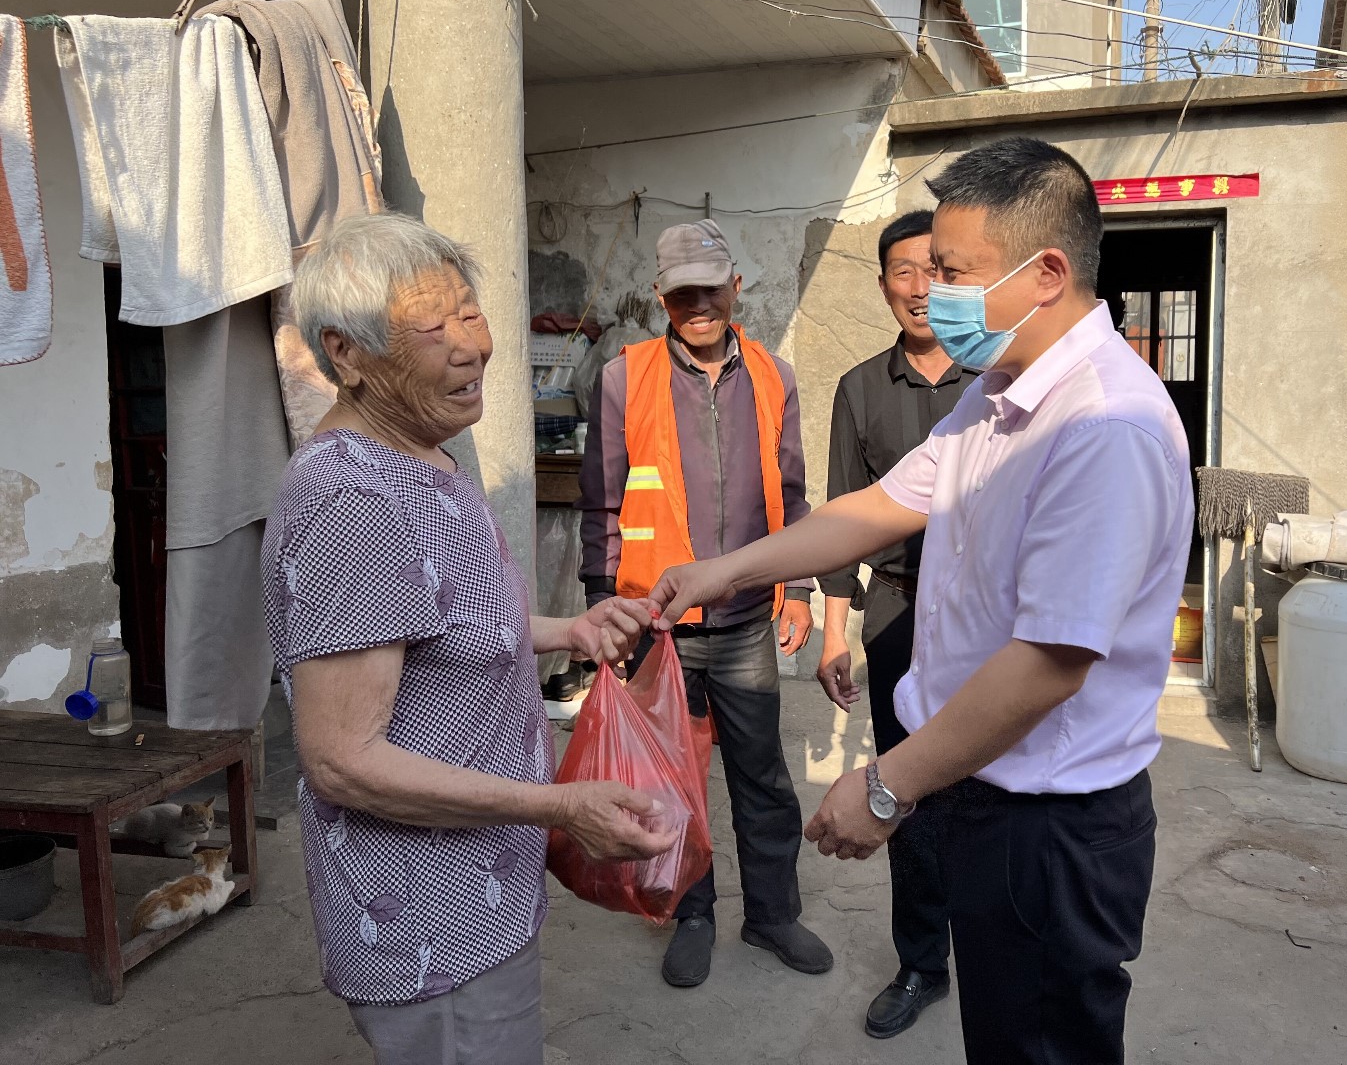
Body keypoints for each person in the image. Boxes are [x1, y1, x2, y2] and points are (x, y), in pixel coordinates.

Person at [648, 138, 1193, 1065]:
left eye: (953, 271)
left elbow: (1047, 664)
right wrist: (722, 572)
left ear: (1046, 273)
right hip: (981, 787)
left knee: (1043, 1043)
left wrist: (888, 785)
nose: (931, 292)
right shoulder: (998, 391)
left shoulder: (1105, 425)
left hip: (1050, 825)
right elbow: (875, 506)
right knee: (1002, 1031)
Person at [261, 212, 675, 1065]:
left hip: (484, 881)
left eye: (470, 313)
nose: (473, 346)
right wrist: (561, 807)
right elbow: (343, 761)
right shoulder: (354, 502)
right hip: (432, 918)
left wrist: (567, 629)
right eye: (433, 326)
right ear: (346, 353)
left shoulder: (422, 456)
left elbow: (435, 622)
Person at [576, 219, 831, 988]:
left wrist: (797, 590)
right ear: (661, 296)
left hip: (747, 619)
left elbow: (791, 495)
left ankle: (772, 915)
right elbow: (602, 505)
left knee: (763, 775)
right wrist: (603, 609)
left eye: (711, 290)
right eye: (682, 293)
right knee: (673, 782)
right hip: (657, 625)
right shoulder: (623, 379)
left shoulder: (775, 376)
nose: (698, 306)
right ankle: (692, 914)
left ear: (735, 287)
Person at [816, 209, 980, 1039]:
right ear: (883, 284)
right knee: (904, 786)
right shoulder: (859, 389)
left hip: (984, 613)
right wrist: (833, 631)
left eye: (933, 271)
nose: (919, 289)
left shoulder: (996, 382)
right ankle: (922, 963)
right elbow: (844, 514)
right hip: (896, 609)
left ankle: (990, 945)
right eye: (902, 273)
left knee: (988, 781)